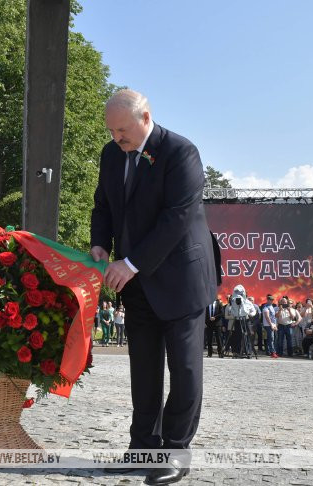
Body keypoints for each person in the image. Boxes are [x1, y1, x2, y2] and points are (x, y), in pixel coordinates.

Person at [90, 89, 220, 484]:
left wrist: (129, 264)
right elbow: (104, 205)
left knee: (183, 368)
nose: (117, 138)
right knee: (143, 369)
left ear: (145, 117)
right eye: (112, 131)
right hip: (138, 284)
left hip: (181, 279)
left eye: (123, 130)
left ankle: (176, 450)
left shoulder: (181, 152)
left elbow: (177, 218)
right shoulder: (111, 154)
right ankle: (143, 446)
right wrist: (99, 243)